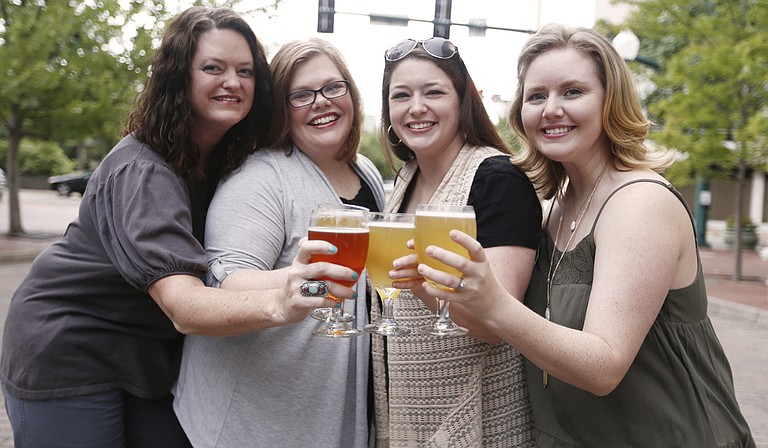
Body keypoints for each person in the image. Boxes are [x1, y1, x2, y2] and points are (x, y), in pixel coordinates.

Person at [1, 8, 353, 447]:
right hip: (70, 349)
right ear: (177, 77)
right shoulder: (144, 171)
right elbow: (184, 305)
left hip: (145, 359)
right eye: (212, 68)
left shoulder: (222, 160)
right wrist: (281, 303)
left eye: (245, 71)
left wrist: (303, 279)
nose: (233, 82)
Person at [417, 24, 756, 447]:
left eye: (572, 92)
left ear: (610, 102)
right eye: (536, 96)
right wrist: (431, 289)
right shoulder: (556, 206)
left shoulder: (640, 202)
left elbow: (603, 367)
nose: (550, 109)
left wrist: (495, 301)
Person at [172, 38, 385, 447]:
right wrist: (295, 280)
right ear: (281, 110)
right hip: (255, 423)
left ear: (351, 93)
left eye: (332, 87)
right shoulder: (260, 178)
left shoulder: (366, 172)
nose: (321, 102)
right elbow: (225, 282)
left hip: (327, 412)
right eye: (301, 95)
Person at [374, 37, 542, 447]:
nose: (416, 107)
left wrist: (421, 285)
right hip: (405, 421)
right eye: (402, 95)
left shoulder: (497, 180)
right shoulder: (404, 180)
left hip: (475, 422)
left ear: (463, 99)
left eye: (434, 92)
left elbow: (495, 325)